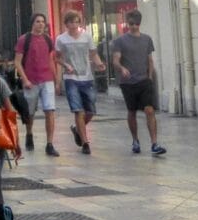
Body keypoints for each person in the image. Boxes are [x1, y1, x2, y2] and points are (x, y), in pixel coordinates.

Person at [112, 10, 165, 156]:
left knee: (149, 110)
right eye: (131, 24)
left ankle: (154, 143)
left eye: (136, 24)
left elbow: (149, 59)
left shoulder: (147, 39)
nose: (134, 26)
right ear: (127, 23)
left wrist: (150, 76)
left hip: (144, 80)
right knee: (132, 111)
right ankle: (135, 140)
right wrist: (122, 68)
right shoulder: (120, 41)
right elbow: (116, 60)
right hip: (128, 82)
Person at [55, 11, 104, 155]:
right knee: (78, 110)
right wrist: (66, 66)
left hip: (87, 77)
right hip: (71, 78)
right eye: (71, 22)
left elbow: (93, 53)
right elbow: (57, 58)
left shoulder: (87, 36)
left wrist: (99, 64)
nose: (74, 25)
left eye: (76, 22)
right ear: (66, 24)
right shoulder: (61, 39)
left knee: (90, 111)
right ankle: (85, 143)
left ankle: (77, 129)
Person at [15, 14, 58, 157]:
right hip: (31, 80)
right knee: (30, 112)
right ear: (32, 23)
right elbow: (17, 62)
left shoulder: (48, 40)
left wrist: (56, 78)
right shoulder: (24, 40)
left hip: (47, 79)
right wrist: (25, 79)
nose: (41, 24)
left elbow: (50, 59)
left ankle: (50, 144)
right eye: (38, 22)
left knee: (50, 110)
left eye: (43, 22)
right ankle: (29, 133)